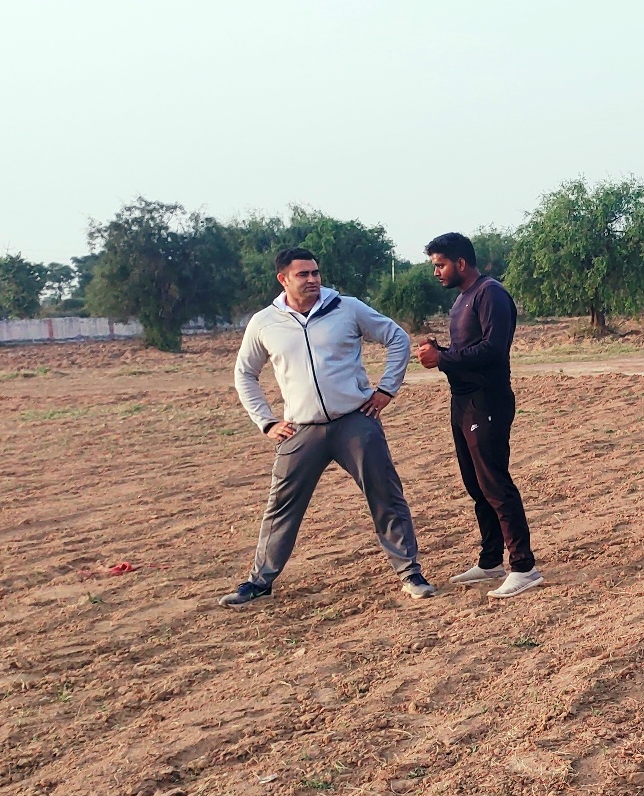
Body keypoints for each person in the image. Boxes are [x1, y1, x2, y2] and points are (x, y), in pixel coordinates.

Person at [221, 247, 437, 606]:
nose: (312, 280)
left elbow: (397, 338)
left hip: (356, 421)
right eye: (303, 274)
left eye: (315, 273)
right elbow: (245, 373)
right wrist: (267, 421)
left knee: (385, 495)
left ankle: (410, 573)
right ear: (283, 279)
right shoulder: (264, 322)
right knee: (281, 506)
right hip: (301, 429)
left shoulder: (347, 308)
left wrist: (386, 390)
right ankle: (259, 582)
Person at [413, 232, 542, 599]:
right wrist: (441, 351)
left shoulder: (490, 293)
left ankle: (524, 567)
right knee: (476, 485)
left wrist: (442, 358)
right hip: (463, 401)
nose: (436, 272)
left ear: (461, 263)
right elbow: (468, 350)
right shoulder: (462, 299)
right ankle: (490, 561)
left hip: (488, 401)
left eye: (440, 265)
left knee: (495, 484)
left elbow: (493, 350)